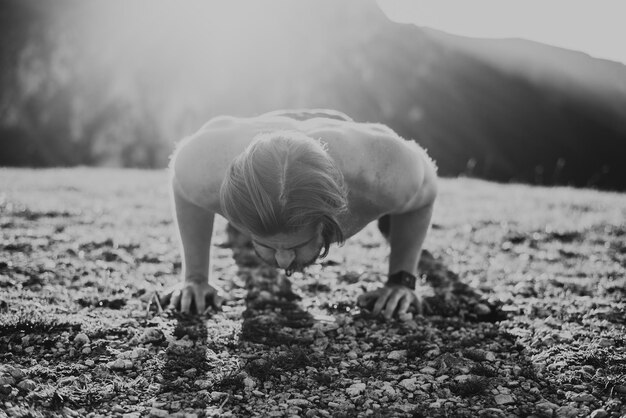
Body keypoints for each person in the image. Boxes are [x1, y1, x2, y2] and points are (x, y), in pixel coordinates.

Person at [163, 109, 438, 320]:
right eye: (268, 246)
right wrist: (195, 278)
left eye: (297, 245)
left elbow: (424, 196)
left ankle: (386, 222)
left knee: (396, 209)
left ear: (331, 217)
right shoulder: (202, 168)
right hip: (256, 129)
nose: (283, 263)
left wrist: (402, 279)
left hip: (344, 130)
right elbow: (183, 187)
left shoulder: (385, 174)